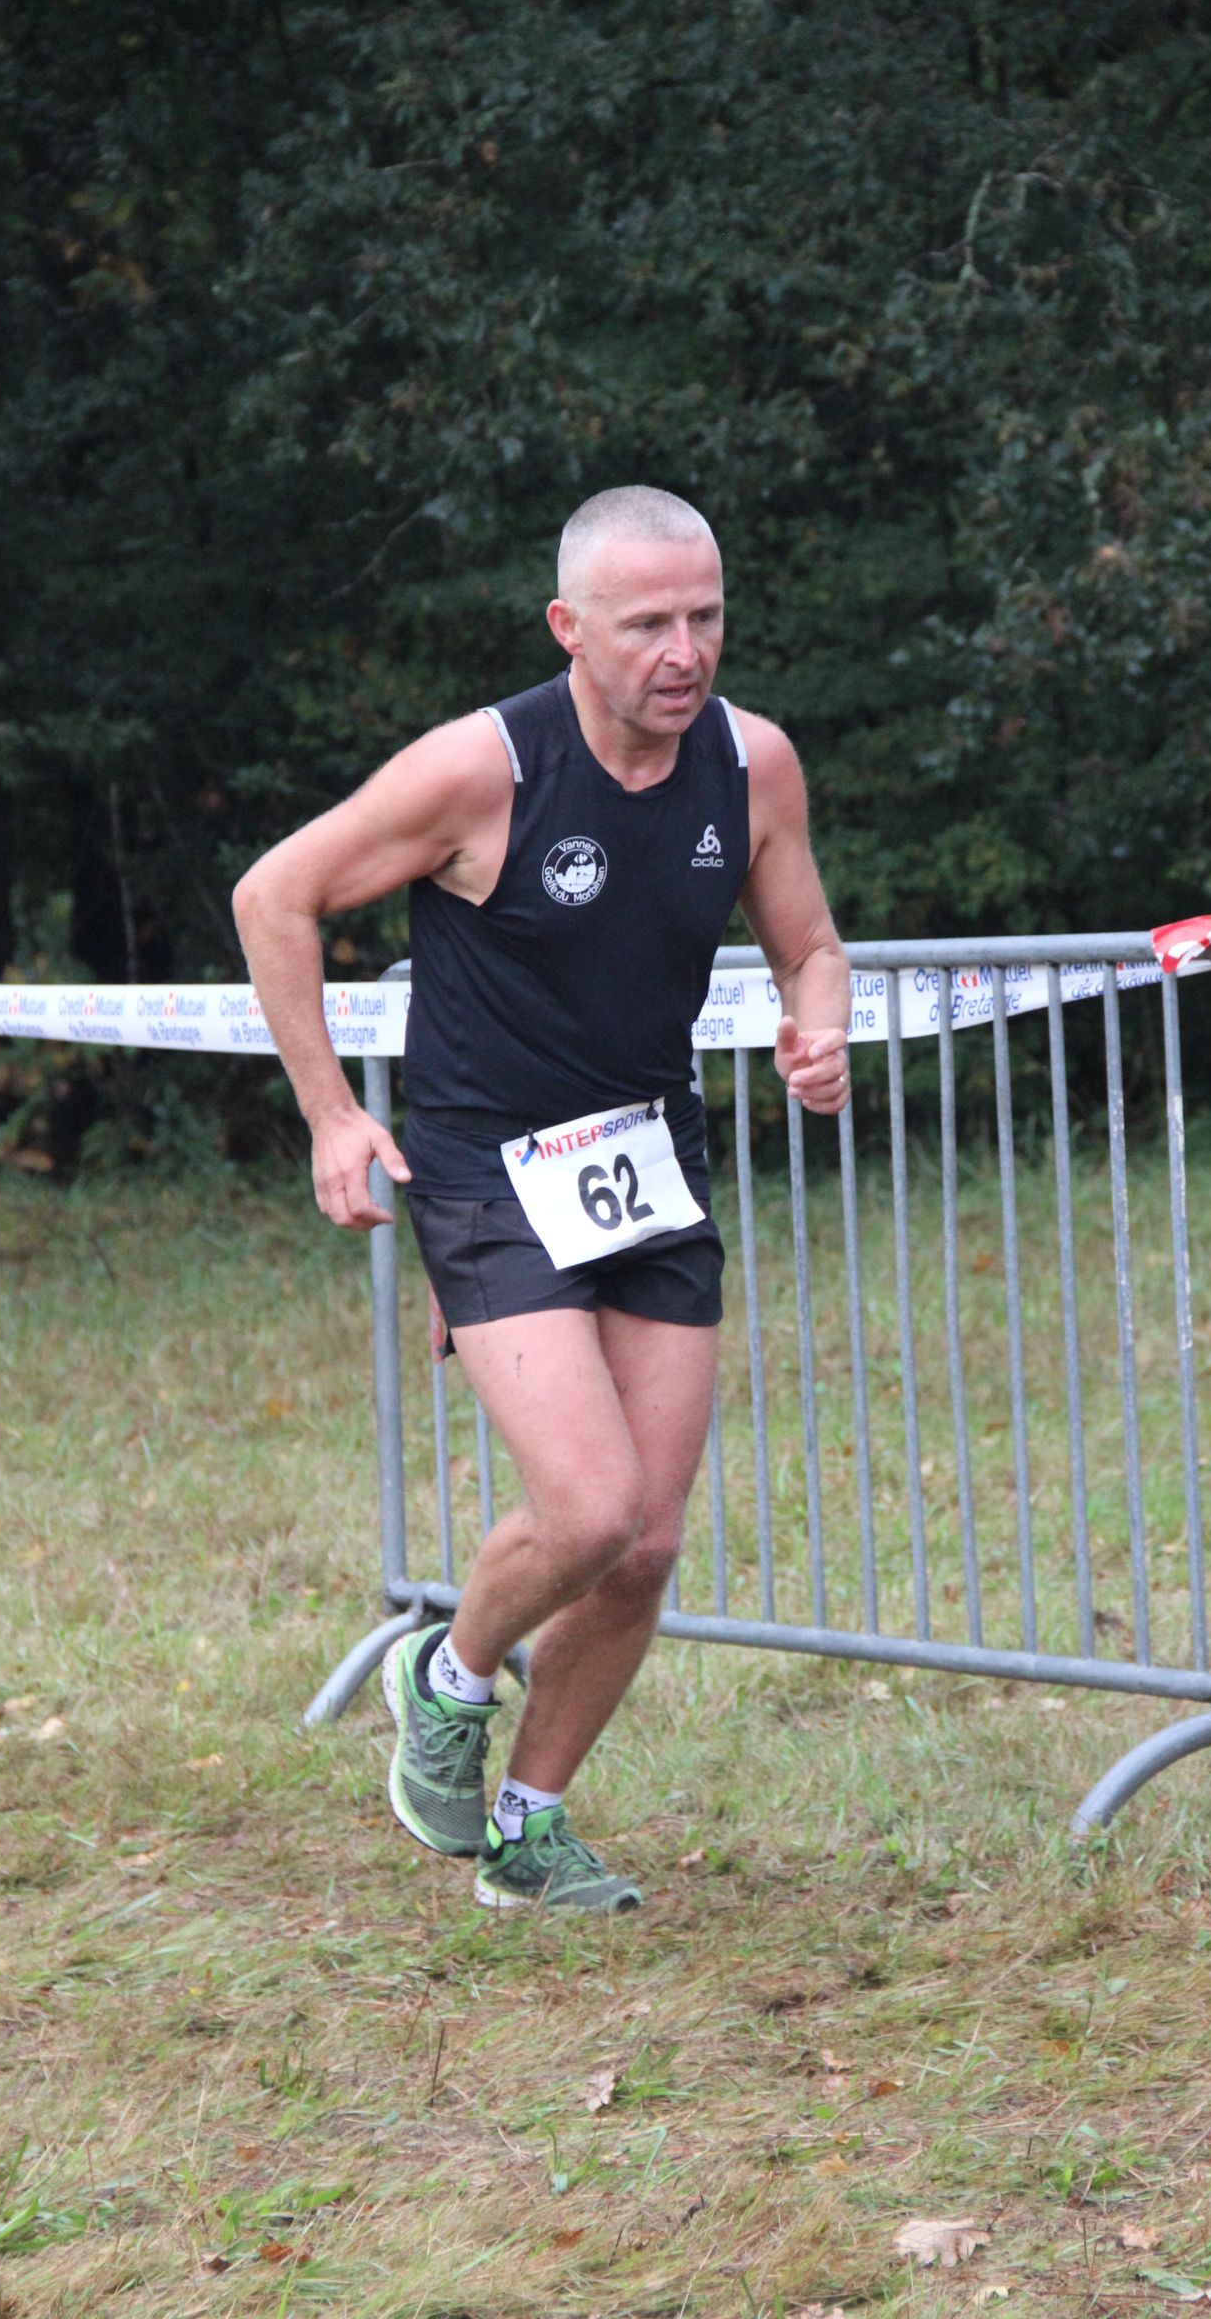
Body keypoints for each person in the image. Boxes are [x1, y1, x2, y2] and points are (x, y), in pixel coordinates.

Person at [234, 486, 850, 1912]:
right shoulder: (484, 768)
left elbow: (811, 943)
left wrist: (818, 1030)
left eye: (704, 617)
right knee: (588, 1507)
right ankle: (447, 1675)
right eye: (647, 625)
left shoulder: (751, 763)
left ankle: (528, 1829)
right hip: (487, 1166)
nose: (683, 652)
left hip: (646, 1158)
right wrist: (331, 1113)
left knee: (646, 1546)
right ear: (570, 627)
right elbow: (275, 894)